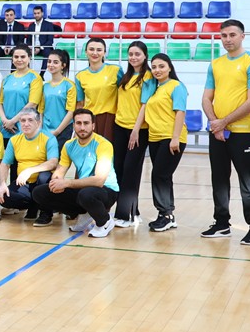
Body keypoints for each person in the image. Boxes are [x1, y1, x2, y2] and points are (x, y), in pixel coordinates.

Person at [200, 19, 250, 243]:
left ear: (242, 36)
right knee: (219, 178)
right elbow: (206, 98)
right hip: (218, 132)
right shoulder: (215, 64)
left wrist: (223, 122)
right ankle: (221, 224)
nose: (227, 39)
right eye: (224, 35)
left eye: (232, 35)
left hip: (243, 132)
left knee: (248, 181)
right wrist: (214, 122)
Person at [32, 109, 119, 239]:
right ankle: (84, 213)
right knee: (40, 192)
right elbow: (60, 171)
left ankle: (104, 222)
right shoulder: (69, 145)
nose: (82, 127)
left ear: (93, 125)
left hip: (106, 190)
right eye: (78, 123)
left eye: (86, 123)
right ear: (73, 125)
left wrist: (66, 183)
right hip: (84, 189)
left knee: (86, 194)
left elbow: (99, 180)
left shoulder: (103, 144)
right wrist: (56, 181)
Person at [144, 53, 189, 233]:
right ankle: (167, 215)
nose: (157, 70)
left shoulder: (176, 86)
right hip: (155, 137)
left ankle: (166, 214)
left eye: (161, 66)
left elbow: (180, 112)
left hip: (171, 137)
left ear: (169, 67)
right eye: (154, 67)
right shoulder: (155, 89)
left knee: (159, 175)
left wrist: (175, 138)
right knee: (163, 176)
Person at [111, 41, 154, 228]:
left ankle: (124, 215)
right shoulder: (126, 76)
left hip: (138, 130)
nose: (133, 57)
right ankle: (132, 211)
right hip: (120, 126)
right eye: (130, 54)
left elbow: (145, 105)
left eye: (137, 54)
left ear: (145, 56)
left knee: (131, 170)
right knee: (119, 168)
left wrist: (136, 130)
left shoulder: (148, 77)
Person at [0, 107, 59, 225]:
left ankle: (46, 214)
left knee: (44, 176)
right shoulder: (14, 140)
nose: (26, 124)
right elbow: (5, 164)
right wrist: (2, 184)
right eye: (23, 120)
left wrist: (30, 170)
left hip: (42, 182)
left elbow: (53, 162)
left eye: (30, 120)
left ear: (38, 122)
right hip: (25, 184)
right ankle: (34, 206)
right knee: (4, 198)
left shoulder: (49, 138)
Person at [74, 37, 122, 141]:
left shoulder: (115, 70)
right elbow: (80, 104)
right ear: (86, 52)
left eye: (99, 50)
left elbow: (124, 94)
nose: (95, 53)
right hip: (90, 119)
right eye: (91, 49)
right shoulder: (80, 76)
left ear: (104, 53)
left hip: (111, 118)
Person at [0, 45, 43, 142]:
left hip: (24, 128)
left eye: (23, 57)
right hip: (5, 128)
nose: (19, 60)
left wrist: (13, 121)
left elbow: (32, 104)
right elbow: (0, 103)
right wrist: (5, 121)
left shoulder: (35, 78)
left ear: (29, 59)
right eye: (16, 57)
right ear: (12, 59)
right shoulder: (7, 78)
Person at [41, 49, 75, 146]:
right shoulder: (45, 86)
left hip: (63, 131)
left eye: (55, 62)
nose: (51, 65)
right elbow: (41, 110)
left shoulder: (69, 85)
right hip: (45, 130)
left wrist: (57, 131)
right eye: (49, 61)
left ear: (63, 65)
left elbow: (71, 112)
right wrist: (40, 128)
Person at [26, 6, 59, 76]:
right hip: (33, 47)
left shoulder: (48, 25)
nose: (36, 15)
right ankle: (27, 73)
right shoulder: (31, 25)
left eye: (38, 13)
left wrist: (39, 47)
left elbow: (50, 41)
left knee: (48, 52)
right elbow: (28, 40)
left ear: (42, 13)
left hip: (44, 47)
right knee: (24, 52)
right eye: (35, 13)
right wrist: (31, 47)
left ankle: (41, 74)